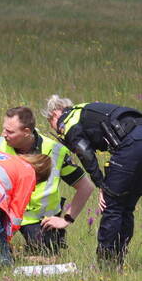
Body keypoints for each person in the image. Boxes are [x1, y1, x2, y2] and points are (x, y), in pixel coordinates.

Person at [43, 96, 142, 268]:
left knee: (112, 206)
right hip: (136, 136)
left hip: (131, 144)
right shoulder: (83, 110)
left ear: (55, 113)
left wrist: (101, 185)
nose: (56, 130)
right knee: (125, 207)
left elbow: (85, 153)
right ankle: (118, 260)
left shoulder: (67, 121)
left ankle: (105, 265)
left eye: (50, 121)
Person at [0, 106, 94, 255]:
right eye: (4, 129)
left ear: (26, 132)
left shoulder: (55, 151)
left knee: (47, 256)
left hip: (39, 220)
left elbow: (85, 187)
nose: (3, 134)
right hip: (4, 215)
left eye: (10, 132)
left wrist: (66, 220)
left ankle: (18, 255)